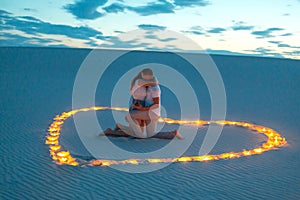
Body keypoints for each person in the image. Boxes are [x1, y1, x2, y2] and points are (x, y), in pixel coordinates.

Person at [100, 68, 183, 139]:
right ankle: (113, 130)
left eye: (147, 80)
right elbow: (139, 86)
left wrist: (141, 109)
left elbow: (156, 105)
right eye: (144, 79)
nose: (144, 81)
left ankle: (173, 133)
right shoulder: (143, 86)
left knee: (144, 134)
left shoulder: (154, 89)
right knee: (140, 134)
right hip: (144, 113)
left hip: (152, 113)